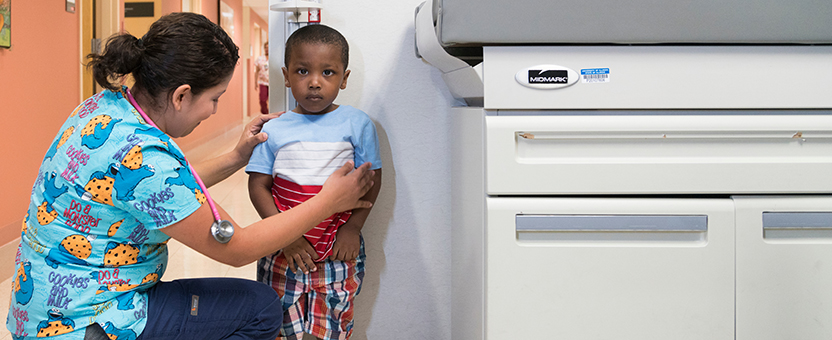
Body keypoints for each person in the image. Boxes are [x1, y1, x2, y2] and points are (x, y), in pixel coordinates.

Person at [6, 13, 374, 340]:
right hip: (88, 321)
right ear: (182, 95)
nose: (214, 111)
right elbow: (239, 248)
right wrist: (330, 200)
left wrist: (235, 157)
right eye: (215, 98)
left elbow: (155, 187)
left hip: (40, 310)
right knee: (262, 308)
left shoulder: (104, 106)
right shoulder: (147, 158)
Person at [246, 24, 382, 340]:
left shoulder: (357, 123)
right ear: (286, 75)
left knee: (334, 327)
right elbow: (258, 186)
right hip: (283, 251)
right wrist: (285, 237)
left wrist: (353, 228)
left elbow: (371, 180)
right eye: (303, 71)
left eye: (329, 73)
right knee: (276, 326)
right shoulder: (275, 128)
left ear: (344, 78)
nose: (315, 82)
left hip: (338, 250)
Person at [255, 41, 270, 114]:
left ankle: (273, 115)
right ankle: (265, 114)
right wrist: (255, 83)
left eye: (268, 47)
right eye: (265, 48)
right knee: (262, 100)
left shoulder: (274, 58)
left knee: (273, 100)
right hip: (263, 82)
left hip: (272, 83)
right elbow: (256, 71)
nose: (267, 49)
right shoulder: (260, 59)